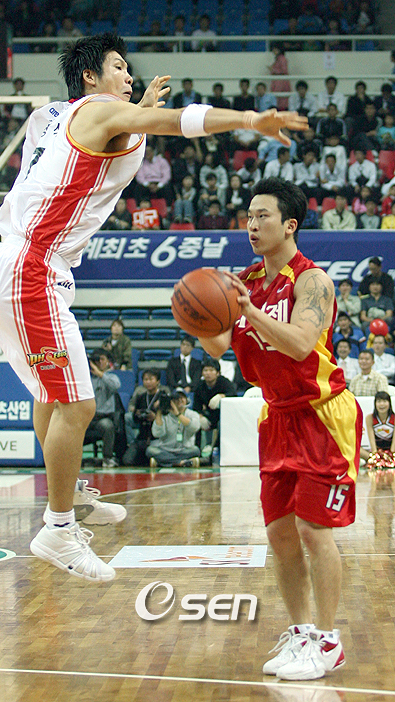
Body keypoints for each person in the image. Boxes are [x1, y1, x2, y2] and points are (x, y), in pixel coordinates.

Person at [0, 32, 307, 582]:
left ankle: (69, 494)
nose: (128, 75)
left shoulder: (60, 116)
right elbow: (181, 122)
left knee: (50, 394)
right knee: (78, 406)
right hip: (31, 267)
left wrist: (136, 114)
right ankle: (58, 528)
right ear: (91, 77)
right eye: (118, 67)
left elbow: (87, 144)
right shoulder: (100, 110)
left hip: (18, 264)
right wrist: (250, 119)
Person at [198, 177, 362, 681]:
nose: (251, 225)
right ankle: (301, 633)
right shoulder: (243, 281)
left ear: (289, 225)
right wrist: (199, 313)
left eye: (262, 216)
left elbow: (299, 343)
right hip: (276, 416)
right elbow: (218, 347)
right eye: (248, 216)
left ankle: (329, 642)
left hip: (322, 414)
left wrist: (248, 310)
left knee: (313, 529)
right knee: (279, 534)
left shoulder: (312, 282)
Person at [84, 348, 125, 468]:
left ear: (107, 361)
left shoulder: (111, 377)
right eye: (97, 360)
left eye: (102, 359)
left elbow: (116, 385)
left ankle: (107, 458)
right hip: (86, 418)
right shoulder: (85, 379)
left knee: (107, 426)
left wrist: (100, 374)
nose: (100, 362)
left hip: (102, 418)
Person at [146, 391, 201, 468]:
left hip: (184, 450)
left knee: (196, 450)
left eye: (182, 398)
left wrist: (178, 414)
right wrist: (159, 412)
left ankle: (163, 462)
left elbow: (194, 427)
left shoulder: (192, 414)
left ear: (186, 400)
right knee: (150, 450)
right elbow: (157, 434)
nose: (180, 400)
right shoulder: (165, 415)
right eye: (176, 399)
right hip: (165, 449)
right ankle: (181, 462)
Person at [192, 358, 236, 450]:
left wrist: (222, 396)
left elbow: (233, 394)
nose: (208, 373)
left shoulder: (224, 382)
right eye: (205, 370)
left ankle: (218, 448)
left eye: (211, 370)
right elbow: (196, 407)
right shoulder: (199, 386)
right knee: (196, 422)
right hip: (209, 415)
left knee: (222, 424)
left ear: (217, 373)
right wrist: (200, 417)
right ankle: (198, 450)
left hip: (224, 416)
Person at [365, 391, 395, 456]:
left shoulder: (394, 418)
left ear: (389, 403)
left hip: (392, 451)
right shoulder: (369, 418)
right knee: (357, 448)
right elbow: (371, 439)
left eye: (384, 401)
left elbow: (394, 444)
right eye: (379, 401)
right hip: (376, 451)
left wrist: (391, 454)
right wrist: (375, 454)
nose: (382, 404)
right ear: (375, 403)